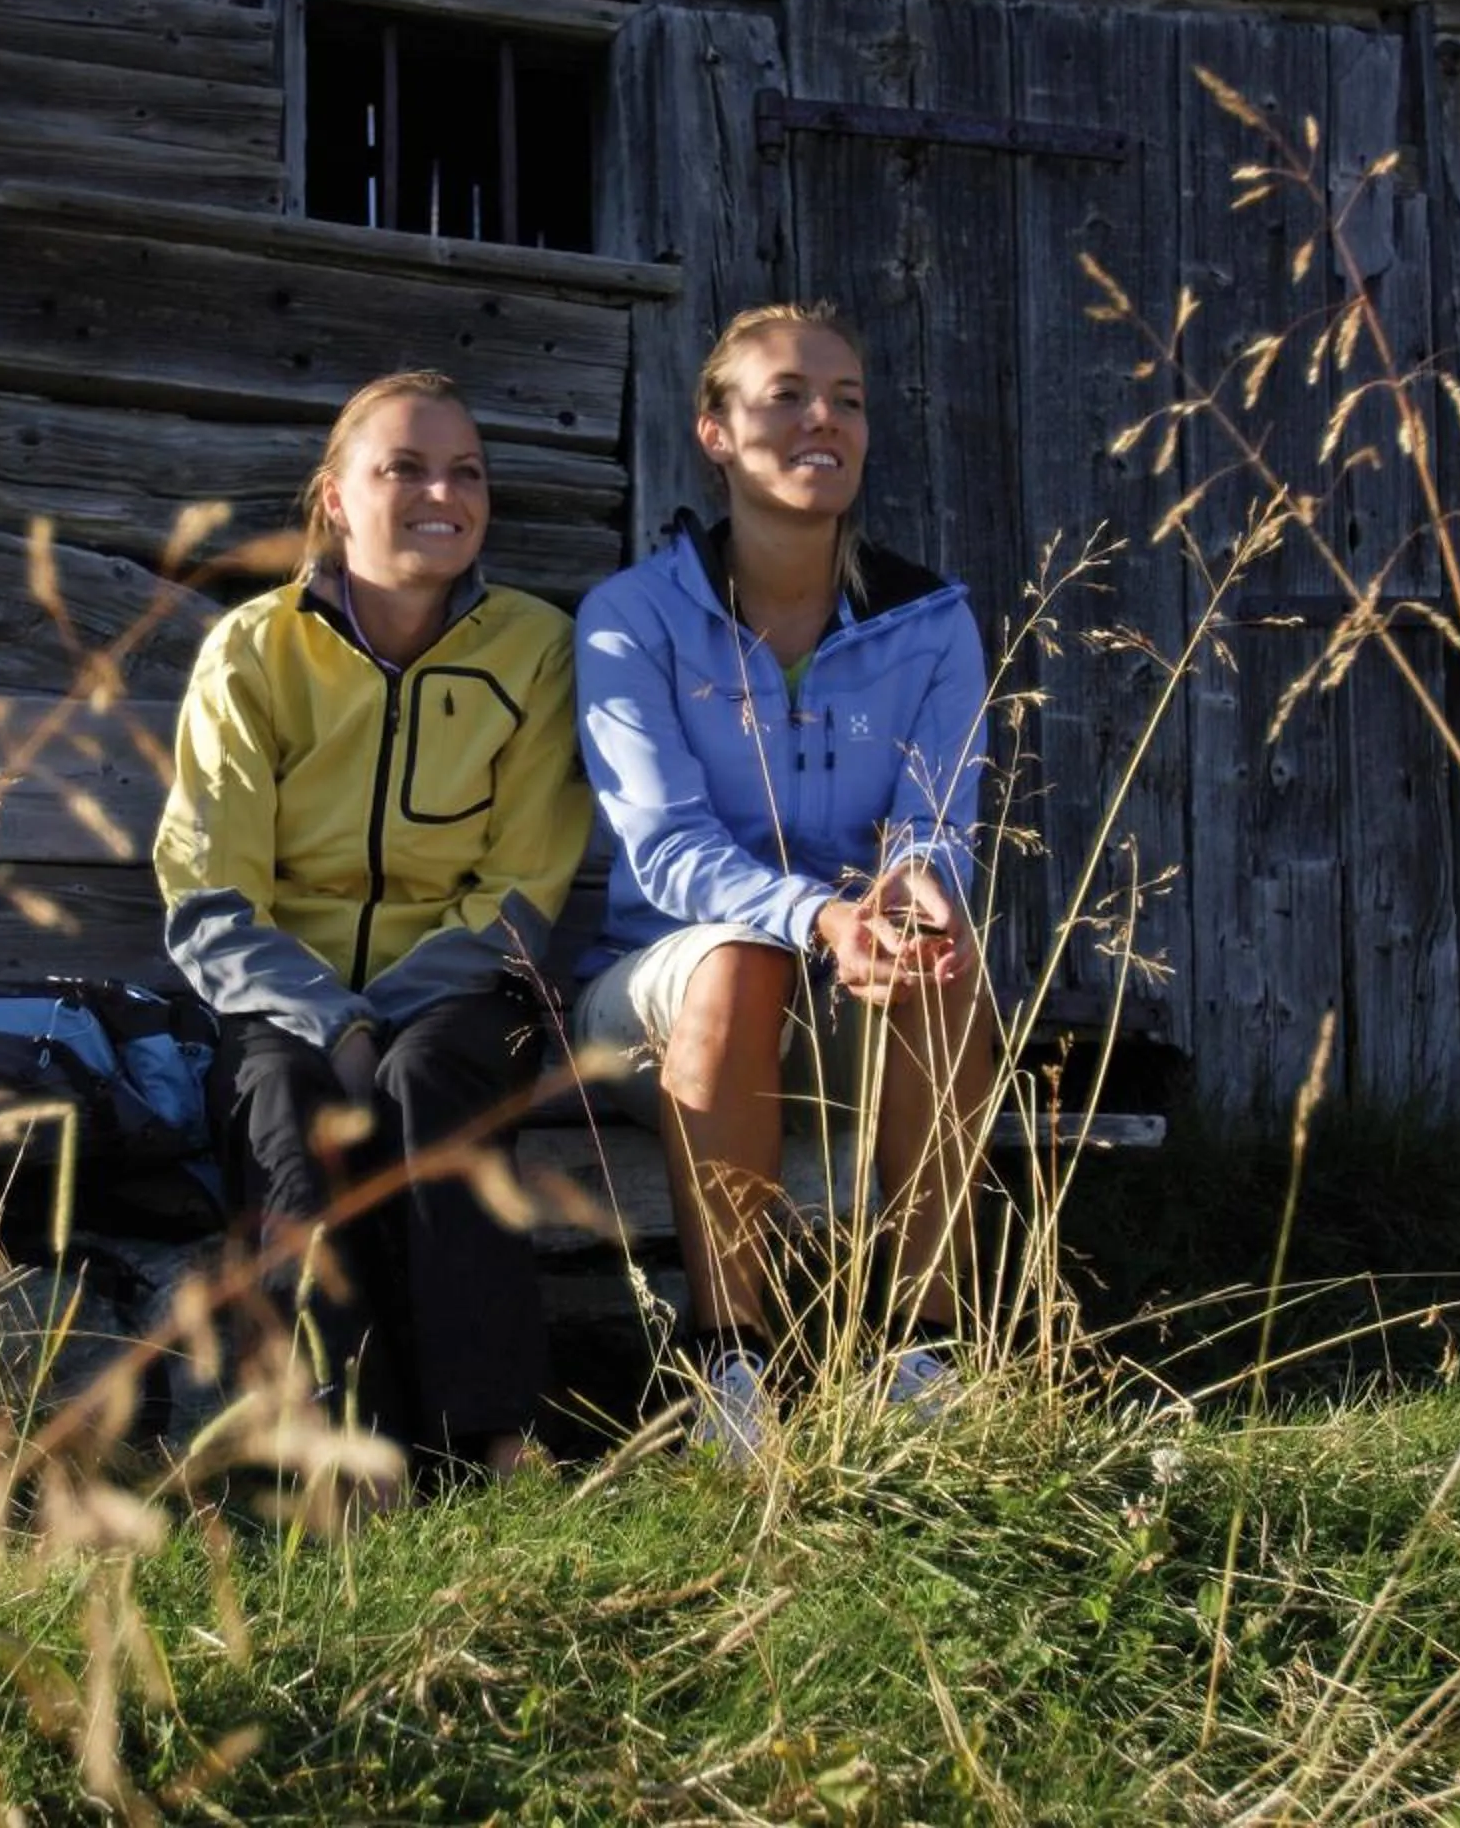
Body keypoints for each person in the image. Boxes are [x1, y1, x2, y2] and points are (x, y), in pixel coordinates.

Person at [573, 302, 998, 1462]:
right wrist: (815, 912)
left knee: (953, 965)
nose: (825, 419)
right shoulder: (635, 618)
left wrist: (913, 895)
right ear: (716, 432)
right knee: (736, 958)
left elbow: (937, 820)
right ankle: (729, 1363)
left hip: (855, 985)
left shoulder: (933, 622)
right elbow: (664, 850)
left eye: (847, 399)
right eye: (786, 396)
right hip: (662, 997)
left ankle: (923, 1349)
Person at [155, 370, 589, 1483]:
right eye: (404, 466)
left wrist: (383, 1026)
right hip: (279, 998)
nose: (441, 491)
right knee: (289, 1111)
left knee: (427, 1084)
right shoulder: (254, 651)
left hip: (465, 987)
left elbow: (526, 881)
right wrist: (330, 1021)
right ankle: (340, 1451)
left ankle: (491, 1437)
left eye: (466, 471)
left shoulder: (534, 649)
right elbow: (209, 888)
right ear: (337, 498)